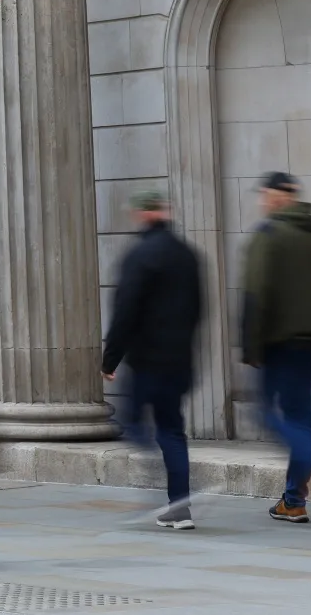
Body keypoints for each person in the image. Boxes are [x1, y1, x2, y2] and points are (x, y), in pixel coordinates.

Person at [240, 170, 311, 524]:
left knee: (265, 413)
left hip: (278, 341)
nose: (261, 201)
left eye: (263, 195)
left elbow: (256, 293)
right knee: (301, 418)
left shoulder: (268, 234)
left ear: (275, 196)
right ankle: (293, 500)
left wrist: (250, 346)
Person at [100, 190, 204, 530]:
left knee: (132, 422)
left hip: (147, 361)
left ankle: (148, 459)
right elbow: (199, 310)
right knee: (173, 432)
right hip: (178, 361)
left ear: (142, 215)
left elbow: (125, 311)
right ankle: (180, 509)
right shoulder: (188, 254)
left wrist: (110, 360)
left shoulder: (140, 254)